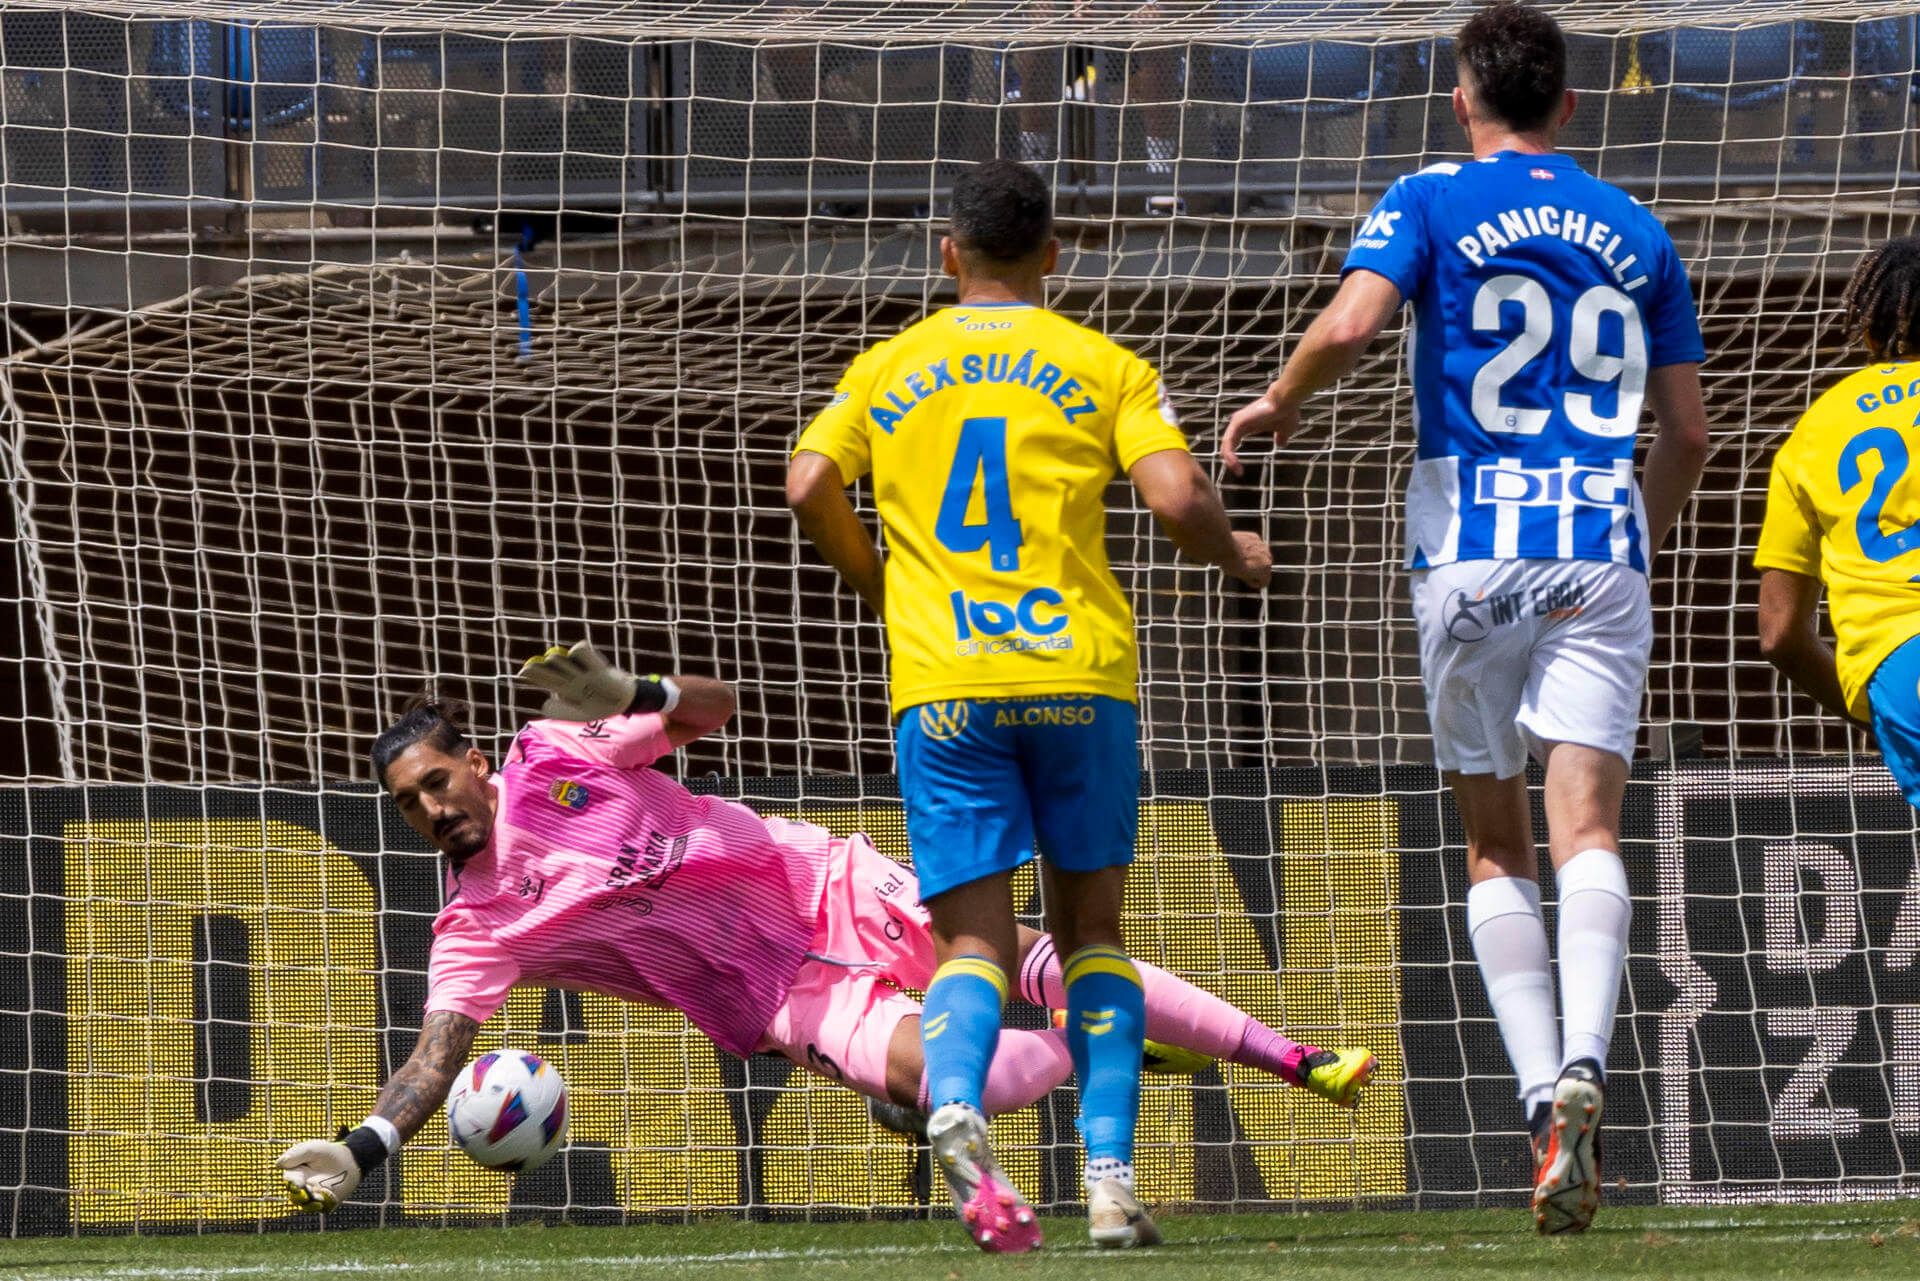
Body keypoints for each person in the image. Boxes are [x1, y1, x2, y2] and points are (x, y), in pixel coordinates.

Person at [276, 643, 1377, 1219]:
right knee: (956, 1085)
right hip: (776, 998)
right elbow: (435, 1058)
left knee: (1035, 960)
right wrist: (365, 1148)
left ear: (473, 761)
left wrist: (637, 687)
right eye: (407, 805)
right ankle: (1108, 1043)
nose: (430, 810)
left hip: (824, 887)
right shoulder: (474, 928)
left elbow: (716, 710)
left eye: (434, 781)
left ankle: (1297, 1057)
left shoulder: (557, 756)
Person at [1220, 0, 1709, 1236]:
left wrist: (1279, 404)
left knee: (1495, 846)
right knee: (1589, 827)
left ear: (1461, 97)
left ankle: (1545, 1098)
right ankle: (1594, 1063)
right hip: (1600, 548)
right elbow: (1692, 433)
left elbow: (1355, 322)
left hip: (1470, 555)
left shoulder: (1431, 196)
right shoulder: (1640, 228)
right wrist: (1633, 532)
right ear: (1572, 104)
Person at [785, 158, 1288, 1251]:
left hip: (948, 687)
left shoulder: (888, 366)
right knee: (1092, 935)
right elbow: (1175, 494)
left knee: (972, 947)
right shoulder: (1104, 363)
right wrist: (1232, 555)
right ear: (1055, 255)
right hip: (1079, 681)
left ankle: (955, 1098)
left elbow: (807, 482)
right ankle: (1110, 1177)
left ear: (949, 254)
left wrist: (882, 583)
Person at [1756, 239, 1920, 806]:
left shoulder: (1817, 427)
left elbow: (1779, 634)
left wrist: (1876, 705)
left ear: (1871, 329)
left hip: (1898, 665)